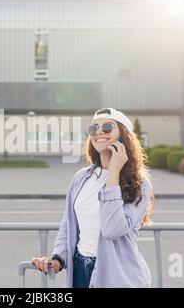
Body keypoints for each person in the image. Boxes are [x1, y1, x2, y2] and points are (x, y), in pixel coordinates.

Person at [32, 107, 155, 288]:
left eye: (107, 127)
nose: (99, 132)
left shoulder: (140, 184)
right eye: (93, 128)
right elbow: (68, 223)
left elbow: (112, 230)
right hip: (80, 271)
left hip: (118, 276)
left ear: (124, 136)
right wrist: (59, 257)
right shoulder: (82, 177)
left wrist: (113, 173)